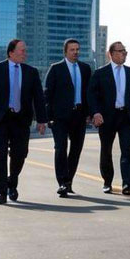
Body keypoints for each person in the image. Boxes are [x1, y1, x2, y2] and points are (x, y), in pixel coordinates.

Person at [0, 39, 47, 204]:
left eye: (25, 50)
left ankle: (11, 181)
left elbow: (38, 98)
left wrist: (42, 120)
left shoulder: (31, 72)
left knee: (20, 154)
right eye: (22, 50)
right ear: (11, 52)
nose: (25, 53)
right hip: (0, 119)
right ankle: (0, 192)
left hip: (21, 119)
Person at [87, 41, 130, 195]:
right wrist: (95, 113)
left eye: (125, 51)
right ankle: (107, 181)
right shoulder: (100, 73)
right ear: (111, 54)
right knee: (106, 150)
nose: (124, 54)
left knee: (126, 150)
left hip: (126, 116)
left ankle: (127, 184)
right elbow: (91, 95)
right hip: (107, 117)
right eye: (121, 51)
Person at [44, 38, 92, 197]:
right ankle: (62, 182)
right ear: (65, 52)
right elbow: (48, 95)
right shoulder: (56, 69)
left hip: (79, 114)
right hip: (60, 117)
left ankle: (69, 180)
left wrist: (90, 113)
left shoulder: (85, 69)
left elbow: (89, 94)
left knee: (76, 149)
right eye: (72, 49)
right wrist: (48, 117)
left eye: (77, 49)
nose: (75, 52)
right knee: (61, 148)